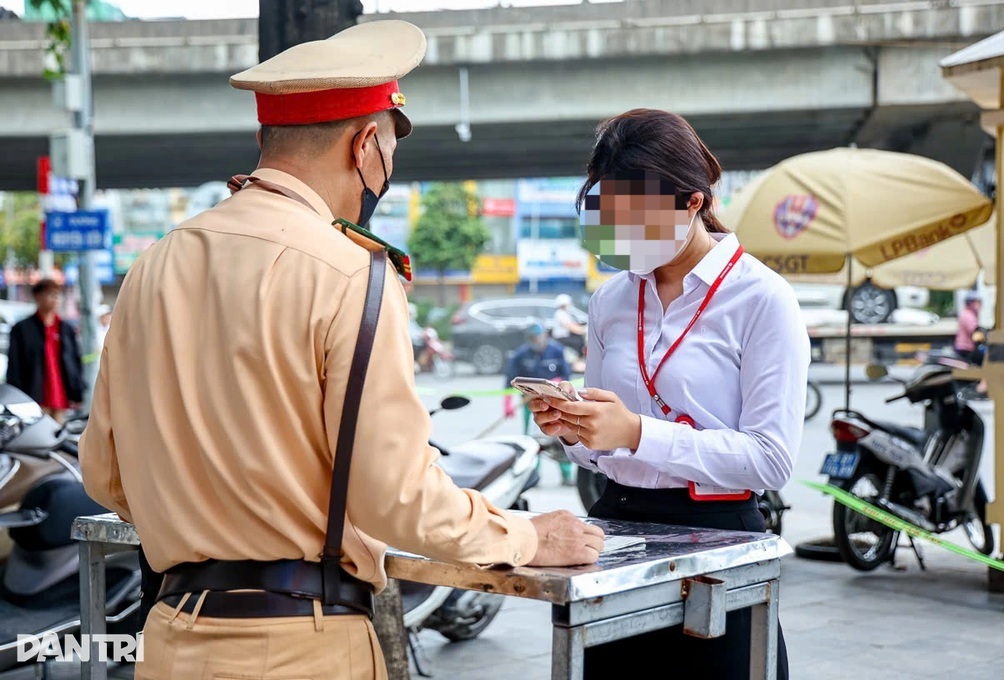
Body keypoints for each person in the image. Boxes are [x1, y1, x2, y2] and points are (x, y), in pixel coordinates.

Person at [78, 21, 603, 680]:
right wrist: (527, 536)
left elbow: (103, 471)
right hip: (301, 646)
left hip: (172, 640)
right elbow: (395, 498)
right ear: (365, 146)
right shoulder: (352, 272)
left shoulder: (152, 266)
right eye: (389, 148)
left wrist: (202, 518)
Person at [528, 108, 808, 679]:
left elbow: (771, 459)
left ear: (693, 202)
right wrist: (574, 428)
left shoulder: (761, 299)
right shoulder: (611, 300)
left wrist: (636, 432)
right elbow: (600, 452)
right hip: (618, 526)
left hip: (721, 538)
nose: (623, 232)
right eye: (611, 214)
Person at [6, 278, 84, 424]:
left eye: (57, 294)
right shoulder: (22, 329)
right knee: (36, 440)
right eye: (50, 294)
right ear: (37, 296)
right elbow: (15, 365)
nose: (55, 299)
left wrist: (77, 392)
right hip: (33, 396)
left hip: (61, 396)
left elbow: (74, 361)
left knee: (58, 439)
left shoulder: (65, 329)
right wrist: (16, 397)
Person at [505, 322, 574, 482]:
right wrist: (507, 404)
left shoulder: (557, 351)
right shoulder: (520, 355)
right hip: (530, 403)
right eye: (533, 338)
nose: (537, 340)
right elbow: (509, 381)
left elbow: (566, 375)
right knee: (532, 440)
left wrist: (558, 381)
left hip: (555, 402)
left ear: (545, 336)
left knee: (561, 435)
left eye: (539, 337)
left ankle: (566, 474)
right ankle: (533, 475)